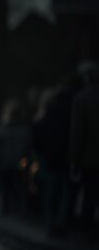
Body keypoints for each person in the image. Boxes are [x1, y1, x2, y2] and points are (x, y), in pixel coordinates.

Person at [34, 75, 82, 236]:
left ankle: (51, 222)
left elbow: (39, 135)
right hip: (66, 157)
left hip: (50, 157)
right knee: (64, 192)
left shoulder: (49, 112)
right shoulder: (71, 111)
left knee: (51, 192)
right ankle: (61, 222)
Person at [0, 100, 32, 215]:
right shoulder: (24, 131)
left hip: (4, 164)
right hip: (19, 165)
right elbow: (28, 150)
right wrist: (26, 164)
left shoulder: (1, 131)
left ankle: (6, 209)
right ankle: (19, 210)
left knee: (6, 188)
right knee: (18, 187)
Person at [71, 65, 99, 237]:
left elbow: (77, 133)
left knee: (88, 195)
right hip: (90, 156)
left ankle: (86, 229)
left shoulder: (82, 98)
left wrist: (74, 160)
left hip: (89, 158)